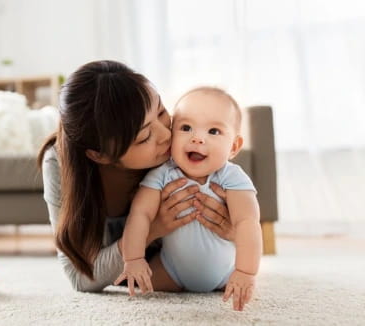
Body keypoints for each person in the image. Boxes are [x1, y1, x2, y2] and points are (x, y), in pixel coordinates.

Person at [37, 60, 235, 294]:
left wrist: (231, 229)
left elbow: (237, 216)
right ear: (100, 155)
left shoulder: (182, 150)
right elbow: (80, 276)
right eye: (144, 137)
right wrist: (151, 229)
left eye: (161, 112)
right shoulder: (59, 164)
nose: (165, 135)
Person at [115, 87, 262, 311]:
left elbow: (248, 223)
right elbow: (140, 215)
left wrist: (245, 272)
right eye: (186, 127)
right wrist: (134, 259)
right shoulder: (162, 174)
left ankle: (237, 279)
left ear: (233, 146)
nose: (197, 139)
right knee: (135, 288)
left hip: (226, 273)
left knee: (241, 284)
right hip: (172, 270)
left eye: (213, 131)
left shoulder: (232, 177)